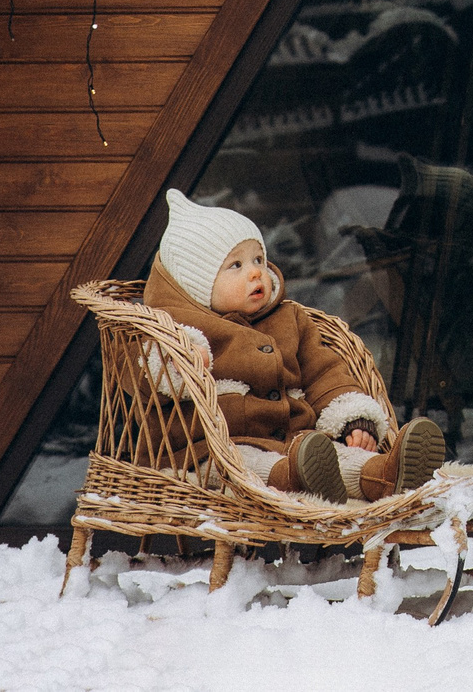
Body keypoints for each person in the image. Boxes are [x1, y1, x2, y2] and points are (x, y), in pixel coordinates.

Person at [147, 188, 449, 501]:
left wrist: (354, 420)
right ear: (197, 285)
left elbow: (324, 372)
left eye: (258, 259)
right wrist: (177, 358)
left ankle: (385, 475)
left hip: (299, 442)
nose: (256, 272)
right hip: (212, 449)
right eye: (236, 265)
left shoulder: (288, 318)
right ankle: (297, 478)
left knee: (338, 455)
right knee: (247, 464)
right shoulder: (175, 328)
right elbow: (141, 371)